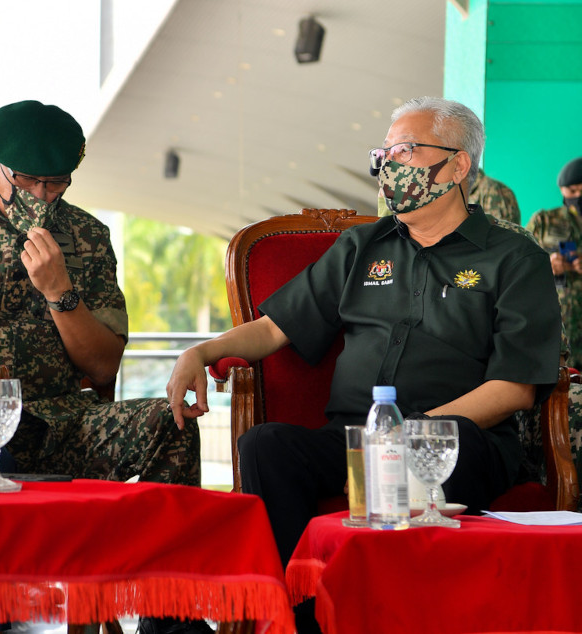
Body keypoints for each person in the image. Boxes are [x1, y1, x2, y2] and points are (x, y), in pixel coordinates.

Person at [168, 96, 561, 567]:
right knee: (266, 445)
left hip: (455, 441)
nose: (388, 167)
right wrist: (203, 350)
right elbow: (275, 328)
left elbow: (516, 386)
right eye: (384, 155)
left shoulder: (515, 258)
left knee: (439, 442)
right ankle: (301, 609)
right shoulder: (361, 246)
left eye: (405, 152)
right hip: (357, 440)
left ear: (457, 167)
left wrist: (416, 432)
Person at [0, 99, 200, 486]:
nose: (41, 194)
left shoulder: (86, 235)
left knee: (169, 422)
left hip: (59, 421)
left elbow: (104, 368)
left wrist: (60, 292)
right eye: (25, 179)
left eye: (56, 182)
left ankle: (158, 546)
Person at [526, 157, 582, 370]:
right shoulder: (545, 221)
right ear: (562, 190)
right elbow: (517, 263)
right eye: (573, 191)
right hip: (557, 326)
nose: (578, 197)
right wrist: (545, 264)